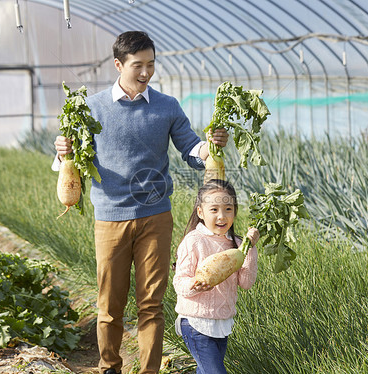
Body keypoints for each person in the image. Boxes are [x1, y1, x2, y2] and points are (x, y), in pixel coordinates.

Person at [52, 31, 229, 374]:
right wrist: (63, 153)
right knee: (109, 305)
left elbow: (192, 150)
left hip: (155, 216)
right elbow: (68, 164)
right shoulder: (92, 108)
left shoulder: (167, 107)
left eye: (151, 64)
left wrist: (211, 146)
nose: (146, 72)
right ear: (119, 64)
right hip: (110, 217)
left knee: (151, 305)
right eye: (138, 65)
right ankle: (109, 367)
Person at [173, 179, 259, 374]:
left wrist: (250, 249)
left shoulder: (237, 244)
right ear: (200, 212)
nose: (222, 216)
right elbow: (179, 281)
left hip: (222, 321)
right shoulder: (194, 241)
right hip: (195, 322)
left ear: (235, 211)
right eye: (214, 210)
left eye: (228, 209)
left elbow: (246, 283)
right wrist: (195, 284)